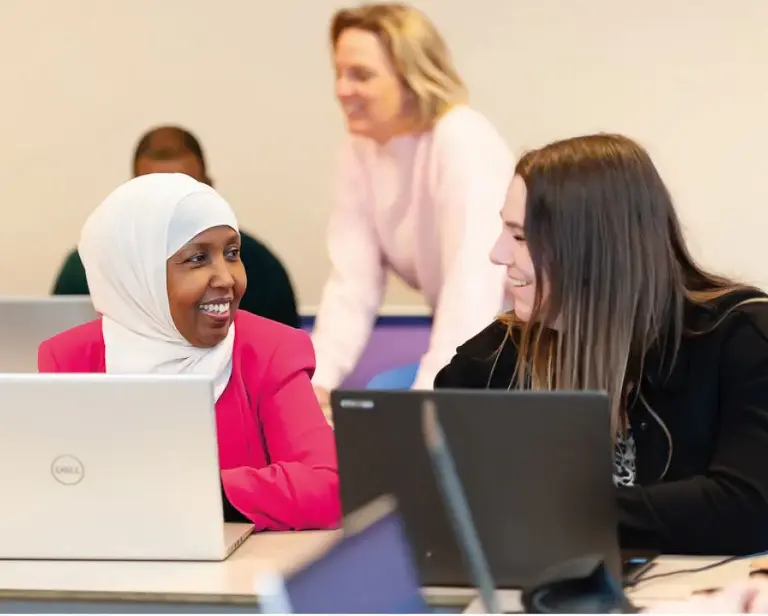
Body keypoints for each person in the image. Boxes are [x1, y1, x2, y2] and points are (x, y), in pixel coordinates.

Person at [434, 133, 768, 555]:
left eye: (519, 237)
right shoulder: (495, 357)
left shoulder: (742, 339)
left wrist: (548, 513)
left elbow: (748, 508)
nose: (497, 254)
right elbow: (435, 500)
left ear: (593, 251)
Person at [38, 173, 340, 531]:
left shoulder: (269, 349)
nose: (227, 278)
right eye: (198, 259)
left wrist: (189, 493)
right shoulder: (70, 359)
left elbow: (326, 485)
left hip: (239, 572)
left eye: (232, 254)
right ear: (139, 274)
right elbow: (53, 489)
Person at [311, 3, 513, 411]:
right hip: (475, 343)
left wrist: (428, 402)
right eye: (339, 72)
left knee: (400, 406)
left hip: (522, 344)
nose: (342, 89)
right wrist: (315, 384)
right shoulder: (359, 148)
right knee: (382, 393)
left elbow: (472, 287)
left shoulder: (462, 138)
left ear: (411, 77)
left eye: (361, 74)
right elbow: (352, 283)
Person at [51, 125, 300, 328]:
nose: (170, 211)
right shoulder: (86, 269)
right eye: (155, 195)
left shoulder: (260, 271)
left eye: (185, 195)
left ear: (209, 190)